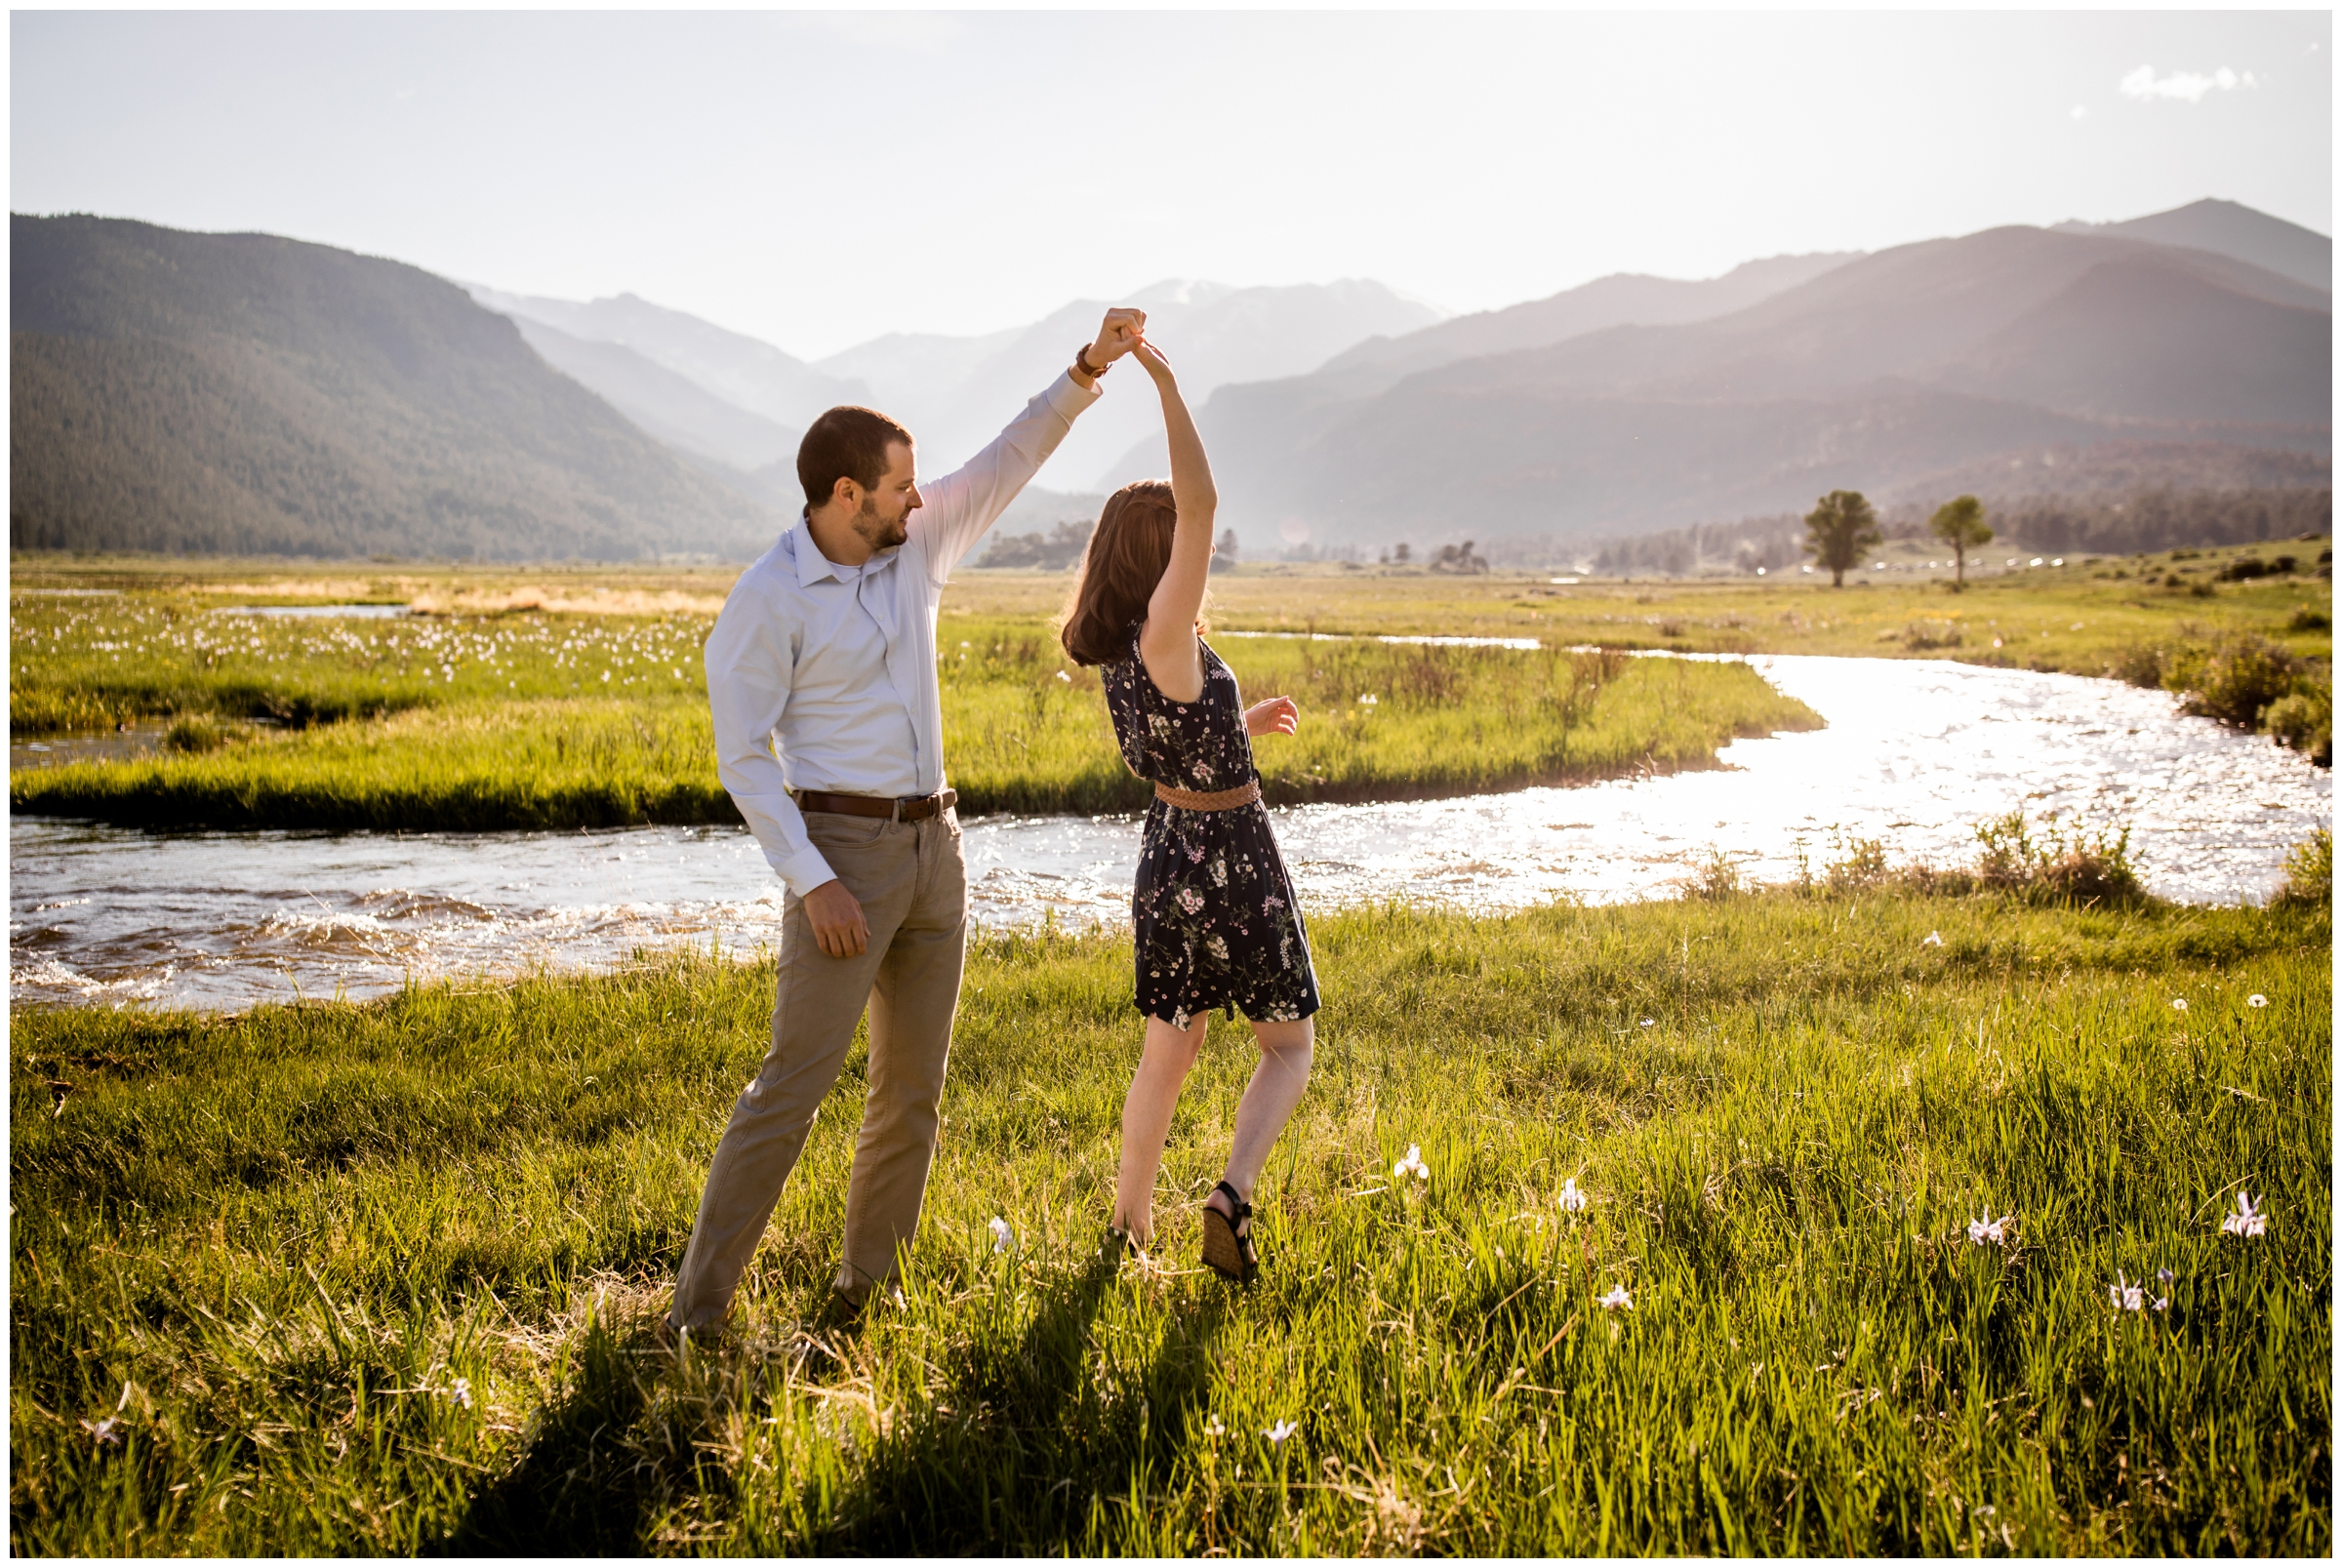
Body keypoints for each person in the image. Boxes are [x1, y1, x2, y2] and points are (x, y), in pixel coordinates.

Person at [667, 307, 1147, 1336]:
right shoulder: (766, 600)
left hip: (940, 850)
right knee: (791, 1088)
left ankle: (865, 1289)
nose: (919, 496)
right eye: (898, 483)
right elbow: (743, 758)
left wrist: (1088, 367)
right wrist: (811, 877)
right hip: (842, 856)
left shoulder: (917, 545)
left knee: (911, 1092)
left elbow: (1010, 455)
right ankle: (696, 1313)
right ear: (848, 496)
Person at [1059, 335, 1317, 1281]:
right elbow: (1203, 502)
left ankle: (1128, 1225)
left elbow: (1177, 741)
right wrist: (1165, 382)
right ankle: (1231, 1193)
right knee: (1289, 1041)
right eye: (1180, 542)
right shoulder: (1167, 629)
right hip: (1229, 853)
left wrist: (1239, 720)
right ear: (1160, 557)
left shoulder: (1130, 650)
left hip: (1168, 851)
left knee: (1167, 1052)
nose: (1195, 548)